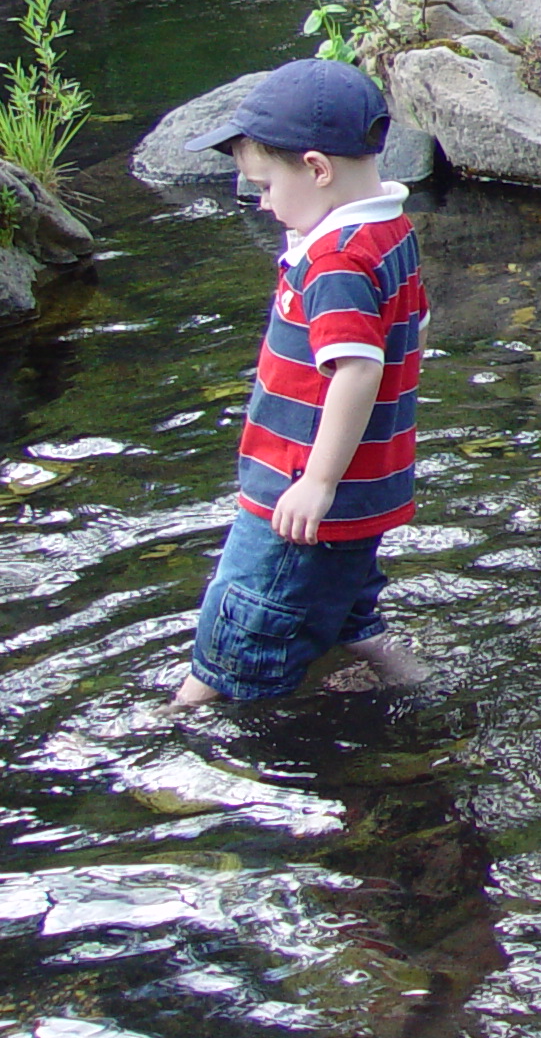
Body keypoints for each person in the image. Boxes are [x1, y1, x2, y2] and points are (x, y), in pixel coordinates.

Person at [173, 59, 431, 704]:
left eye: (262, 185)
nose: (259, 201)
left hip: (301, 498)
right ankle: (415, 683)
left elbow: (357, 367)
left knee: (237, 635)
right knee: (345, 606)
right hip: (365, 490)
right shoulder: (388, 229)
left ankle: (186, 733)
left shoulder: (337, 258)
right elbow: (416, 326)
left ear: (317, 169)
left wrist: (316, 481)